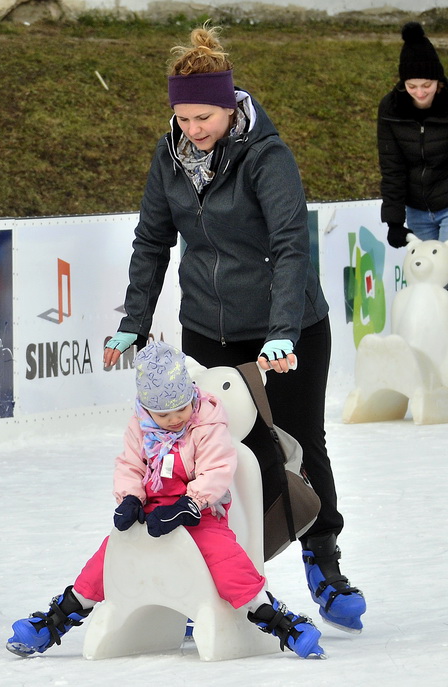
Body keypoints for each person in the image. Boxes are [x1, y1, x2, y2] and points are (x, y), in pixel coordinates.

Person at [102, 25, 366, 634]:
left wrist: (282, 330)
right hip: (209, 328)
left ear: (229, 107)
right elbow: (151, 241)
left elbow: (290, 244)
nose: (193, 129)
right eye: (183, 118)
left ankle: (323, 560)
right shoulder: (168, 157)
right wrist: (133, 322)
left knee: (298, 442)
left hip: (286, 326)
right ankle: (211, 580)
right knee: (206, 452)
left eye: (204, 117)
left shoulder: (266, 156)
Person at [6, 343, 323, 659]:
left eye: (180, 410)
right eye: (163, 414)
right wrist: (130, 499)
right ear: (147, 409)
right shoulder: (141, 426)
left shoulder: (207, 423)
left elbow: (217, 469)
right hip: (150, 511)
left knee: (227, 562)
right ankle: (57, 618)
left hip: (200, 513)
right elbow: (130, 464)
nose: (173, 419)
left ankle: (277, 620)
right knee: (108, 559)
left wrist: (190, 504)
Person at [378, 22, 448, 248]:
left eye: (426, 85)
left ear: (438, 81)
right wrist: (394, 222)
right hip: (417, 208)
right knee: (427, 269)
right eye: (412, 85)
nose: (419, 93)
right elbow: (392, 167)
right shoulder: (391, 109)